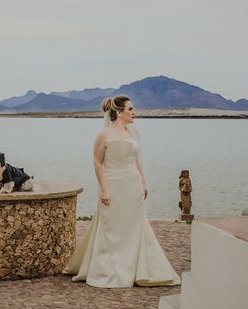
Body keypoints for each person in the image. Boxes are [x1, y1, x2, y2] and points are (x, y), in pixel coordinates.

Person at [63, 95, 180, 288]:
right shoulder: (104, 135)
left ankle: (136, 269)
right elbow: (98, 163)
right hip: (113, 183)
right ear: (118, 112)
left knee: (134, 226)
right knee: (112, 226)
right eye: (130, 109)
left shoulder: (133, 134)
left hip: (132, 184)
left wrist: (143, 182)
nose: (134, 113)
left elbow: (137, 159)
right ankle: (108, 270)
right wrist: (104, 190)